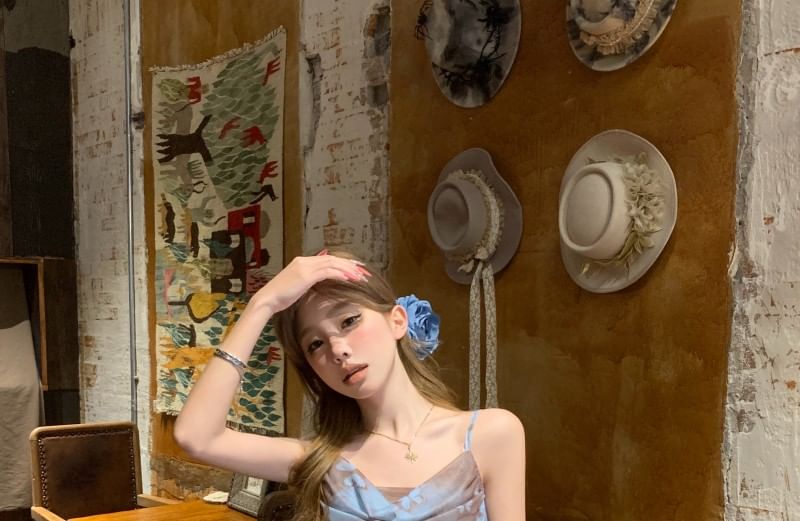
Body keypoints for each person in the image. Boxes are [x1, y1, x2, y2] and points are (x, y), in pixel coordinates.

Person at [174, 251, 526, 520]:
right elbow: (196, 437)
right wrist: (262, 304)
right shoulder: (322, 460)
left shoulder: (492, 434)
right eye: (316, 344)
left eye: (349, 321)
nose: (338, 349)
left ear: (397, 321)